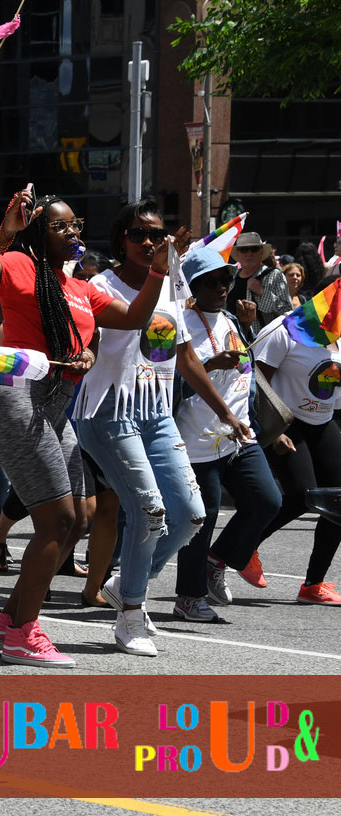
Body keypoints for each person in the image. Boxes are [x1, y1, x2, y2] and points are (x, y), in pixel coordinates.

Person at [0, 190, 165, 668]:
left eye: (75, 224)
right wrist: (6, 227)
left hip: (57, 406)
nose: (72, 231)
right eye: (60, 226)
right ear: (38, 233)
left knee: (79, 516)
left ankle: (8, 616)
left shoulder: (83, 287)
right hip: (15, 397)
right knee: (55, 520)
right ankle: (23, 633)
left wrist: (158, 270)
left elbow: (135, 317)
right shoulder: (18, 264)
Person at [76, 199, 243, 657]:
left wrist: (225, 412)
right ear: (120, 241)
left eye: (155, 234)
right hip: (109, 412)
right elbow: (84, 342)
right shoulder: (98, 285)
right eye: (137, 235)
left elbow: (185, 356)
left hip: (156, 413)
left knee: (190, 513)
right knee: (148, 511)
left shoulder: (173, 283)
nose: (148, 242)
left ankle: (126, 583)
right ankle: (131, 614)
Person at [174, 246, 281, 619]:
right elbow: (172, 385)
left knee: (268, 500)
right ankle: (189, 597)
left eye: (228, 280)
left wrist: (248, 327)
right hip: (198, 441)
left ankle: (217, 561)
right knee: (202, 520)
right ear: (193, 286)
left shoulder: (230, 321)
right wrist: (209, 363)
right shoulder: (180, 325)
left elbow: (244, 371)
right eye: (214, 282)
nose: (223, 288)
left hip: (239, 434)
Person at [252, 272, 341, 605]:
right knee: (302, 495)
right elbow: (256, 381)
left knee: (339, 500)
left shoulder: (338, 335)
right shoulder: (283, 330)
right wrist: (273, 431)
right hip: (284, 421)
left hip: (322, 422)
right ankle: (241, 547)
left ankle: (313, 585)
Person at [227, 231, 291, 330]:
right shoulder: (230, 278)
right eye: (244, 250)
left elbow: (288, 313)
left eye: (254, 249)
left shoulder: (275, 275)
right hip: (233, 341)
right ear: (237, 254)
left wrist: (262, 292)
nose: (249, 253)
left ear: (261, 252)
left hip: (261, 341)